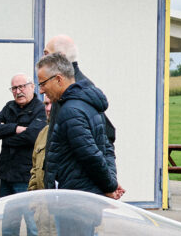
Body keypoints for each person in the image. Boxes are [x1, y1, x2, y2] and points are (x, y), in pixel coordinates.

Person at [37, 51, 120, 195]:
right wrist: (110, 182)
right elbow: (106, 148)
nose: (41, 90)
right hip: (87, 195)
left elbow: (91, 155)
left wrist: (110, 186)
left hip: (76, 200)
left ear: (58, 79)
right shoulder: (88, 104)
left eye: (43, 83)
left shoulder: (70, 111)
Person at [0, 74, 47, 200]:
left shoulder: (40, 108)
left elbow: (32, 136)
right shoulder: (9, 107)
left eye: (21, 87)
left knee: (30, 216)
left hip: (25, 176)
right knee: (9, 217)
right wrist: (15, 128)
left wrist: (6, 137)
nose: (18, 92)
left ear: (32, 87)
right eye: (14, 88)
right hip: (6, 174)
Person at [32, 33, 79, 190]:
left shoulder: (77, 92)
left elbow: (102, 140)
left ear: (61, 57)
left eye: (46, 54)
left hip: (71, 193)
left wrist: (108, 184)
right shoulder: (63, 94)